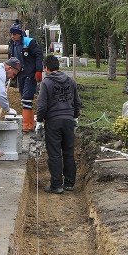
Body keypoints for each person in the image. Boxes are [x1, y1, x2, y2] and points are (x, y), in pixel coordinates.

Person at [35, 55, 82, 194]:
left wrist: (39, 121)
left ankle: (57, 185)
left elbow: (42, 105)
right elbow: (77, 101)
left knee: (55, 154)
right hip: (68, 121)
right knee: (68, 152)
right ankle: (69, 183)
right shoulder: (70, 81)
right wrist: (75, 116)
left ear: (46, 68)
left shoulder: (46, 83)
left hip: (53, 122)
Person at [7, 20, 43, 133]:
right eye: (11, 34)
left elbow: (38, 55)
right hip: (20, 74)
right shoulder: (11, 44)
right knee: (24, 98)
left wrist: (39, 70)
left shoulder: (29, 42)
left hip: (30, 73)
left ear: (20, 34)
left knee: (27, 98)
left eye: (15, 34)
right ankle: (30, 123)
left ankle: (27, 125)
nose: (12, 36)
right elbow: (11, 58)